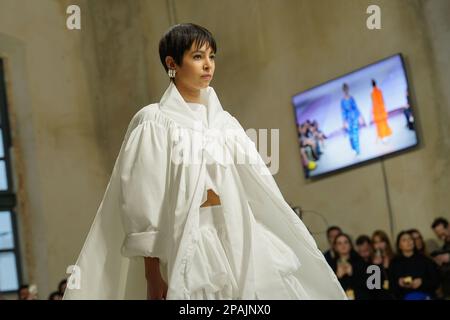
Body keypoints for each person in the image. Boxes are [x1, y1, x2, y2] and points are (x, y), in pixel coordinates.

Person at [63, 23, 346, 300]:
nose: (208, 65)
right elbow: (144, 199)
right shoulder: (155, 122)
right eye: (197, 57)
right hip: (193, 246)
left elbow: (257, 186)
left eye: (211, 56)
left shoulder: (225, 123)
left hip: (242, 240)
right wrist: (152, 274)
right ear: (172, 63)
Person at [389, 231, 439, 300]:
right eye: (404, 240)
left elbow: (436, 281)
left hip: (425, 296)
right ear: (399, 245)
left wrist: (422, 282)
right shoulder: (394, 263)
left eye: (410, 239)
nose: (408, 241)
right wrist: (399, 283)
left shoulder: (425, 260)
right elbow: (390, 286)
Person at [330, 233, 371, 300]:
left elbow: (369, 286)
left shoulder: (360, 261)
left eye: (346, 242)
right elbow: (328, 289)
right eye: (339, 243)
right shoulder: (331, 264)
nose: (343, 245)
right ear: (335, 247)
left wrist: (352, 273)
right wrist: (337, 277)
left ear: (350, 245)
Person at [341, 83, 364, 156]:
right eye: (345, 89)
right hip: (348, 120)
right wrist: (344, 122)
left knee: (355, 134)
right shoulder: (342, 101)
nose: (346, 90)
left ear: (348, 89)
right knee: (350, 136)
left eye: (347, 89)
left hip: (354, 118)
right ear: (343, 90)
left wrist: (360, 117)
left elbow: (356, 108)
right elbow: (343, 112)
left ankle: (357, 149)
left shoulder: (351, 98)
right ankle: (354, 148)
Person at [371, 230, 395, 299]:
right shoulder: (371, 263)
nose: (379, 245)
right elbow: (373, 287)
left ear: (386, 243)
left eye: (381, 241)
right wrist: (376, 267)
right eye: (376, 242)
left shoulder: (394, 259)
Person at [431, 217, 450, 298]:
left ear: (449, 227)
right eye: (438, 235)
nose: (441, 237)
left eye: (443, 233)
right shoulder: (445, 246)